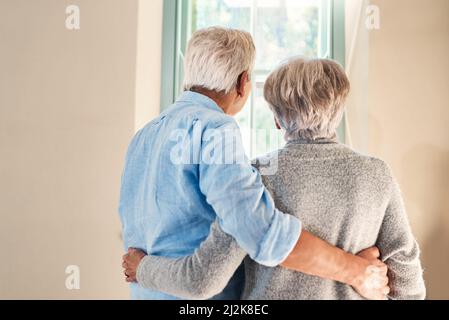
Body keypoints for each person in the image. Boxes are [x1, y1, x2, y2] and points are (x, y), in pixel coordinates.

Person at [118, 27, 389, 300]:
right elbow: (261, 233)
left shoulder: (143, 137)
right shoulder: (215, 128)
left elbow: (138, 244)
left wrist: (143, 268)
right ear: (243, 82)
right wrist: (356, 270)